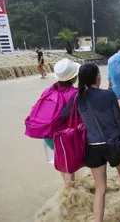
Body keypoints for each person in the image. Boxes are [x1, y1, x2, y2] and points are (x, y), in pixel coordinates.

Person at [62, 62, 120, 222]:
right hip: (115, 145)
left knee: (100, 189)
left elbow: (64, 115)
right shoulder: (108, 95)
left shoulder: (78, 98)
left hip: (93, 148)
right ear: (98, 77)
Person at [43, 58, 80, 188]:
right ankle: (70, 195)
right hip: (64, 137)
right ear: (73, 78)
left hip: (47, 136)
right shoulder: (75, 94)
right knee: (70, 166)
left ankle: (66, 188)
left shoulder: (48, 91)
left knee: (61, 162)